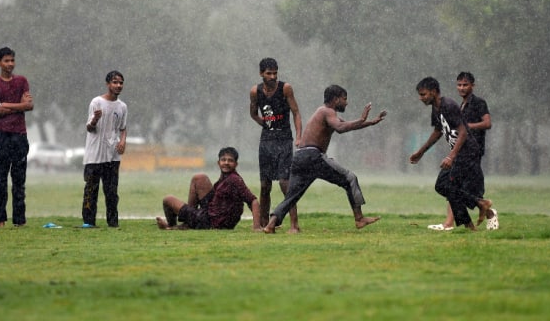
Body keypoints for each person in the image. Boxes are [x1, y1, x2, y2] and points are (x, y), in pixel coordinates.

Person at [264, 85, 387, 234]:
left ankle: (271, 225)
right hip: (313, 156)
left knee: (291, 196)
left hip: (300, 156)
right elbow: (341, 128)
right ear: (335, 99)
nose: (346, 103)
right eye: (344, 99)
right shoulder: (328, 112)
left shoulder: (323, 112)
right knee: (350, 178)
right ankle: (359, 218)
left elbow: (346, 124)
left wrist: (370, 122)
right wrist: (362, 119)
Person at [409, 77, 492, 231]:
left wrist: (451, 156)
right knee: (444, 186)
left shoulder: (448, 105)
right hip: (459, 153)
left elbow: (463, 133)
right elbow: (437, 131)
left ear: (434, 92)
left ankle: (472, 219)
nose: (421, 98)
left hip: (467, 152)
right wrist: (421, 152)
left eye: (423, 94)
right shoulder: (436, 108)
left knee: (446, 186)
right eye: (420, 95)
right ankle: (479, 205)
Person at [429, 72, 498, 231]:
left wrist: (467, 127)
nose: (461, 88)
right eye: (459, 85)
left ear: (473, 86)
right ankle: (454, 221)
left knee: (455, 186)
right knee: (453, 185)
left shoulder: (479, 103)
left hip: (473, 152)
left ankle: (486, 211)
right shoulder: (460, 106)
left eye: (465, 85)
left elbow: (487, 123)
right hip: (461, 151)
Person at [249, 58, 302, 232]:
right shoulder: (255, 91)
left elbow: (296, 113)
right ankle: (264, 223)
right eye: (268, 73)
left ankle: (294, 224)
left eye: (275, 73)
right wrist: (264, 124)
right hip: (266, 141)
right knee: (265, 185)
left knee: (285, 183)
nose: (272, 76)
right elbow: (253, 113)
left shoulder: (285, 88)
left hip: (284, 139)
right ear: (261, 74)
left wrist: (299, 136)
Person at [156, 147, 261, 231]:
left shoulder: (234, 180)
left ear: (236, 164)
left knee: (168, 199)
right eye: (223, 160)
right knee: (199, 178)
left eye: (230, 161)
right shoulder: (226, 177)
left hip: (210, 222)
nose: (226, 163)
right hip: (211, 215)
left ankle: (171, 226)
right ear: (218, 163)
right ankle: (187, 222)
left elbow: (253, 201)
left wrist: (256, 227)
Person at [0, 47, 33, 227]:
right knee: (1, 179)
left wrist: (6, 104)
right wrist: (17, 106)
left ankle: (19, 221)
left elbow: (29, 106)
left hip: (20, 136)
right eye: (6, 61)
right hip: (2, 136)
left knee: (19, 180)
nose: (10, 64)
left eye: (12, 60)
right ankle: (1, 220)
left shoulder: (22, 81)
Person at [81, 70, 128, 228]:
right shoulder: (96, 102)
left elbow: (123, 127)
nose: (118, 85)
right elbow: (89, 128)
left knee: (112, 192)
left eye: (121, 82)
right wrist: (95, 119)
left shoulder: (122, 106)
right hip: (95, 155)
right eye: (115, 82)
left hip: (112, 155)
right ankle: (88, 222)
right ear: (108, 84)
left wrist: (122, 141)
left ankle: (113, 223)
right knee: (91, 190)